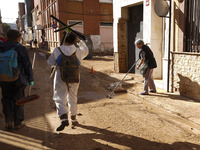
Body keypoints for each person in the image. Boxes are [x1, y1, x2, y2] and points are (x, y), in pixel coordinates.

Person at [47, 32, 88, 131]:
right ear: (74, 41)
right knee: (73, 96)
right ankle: (73, 118)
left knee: (59, 97)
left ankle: (63, 118)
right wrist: (80, 42)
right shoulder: (78, 51)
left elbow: (50, 63)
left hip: (60, 77)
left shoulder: (57, 50)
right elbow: (86, 50)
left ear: (64, 39)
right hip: (74, 76)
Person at [0, 29, 34, 129]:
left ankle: (8, 121)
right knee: (19, 100)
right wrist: (30, 78)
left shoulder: (1, 46)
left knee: (6, 99)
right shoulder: (19, 48)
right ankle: (18, 122)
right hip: (18, 79)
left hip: (3, 78)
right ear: (17, 37)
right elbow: (27, 64)